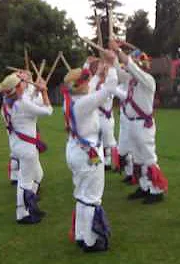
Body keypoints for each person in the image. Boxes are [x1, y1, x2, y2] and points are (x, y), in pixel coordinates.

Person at [62, 52, 123, 253]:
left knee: (81, 194)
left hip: (76, 150)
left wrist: (97, 72)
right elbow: (108, 89)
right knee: (91, 196)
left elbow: (93, 88)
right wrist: (112, 64)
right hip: (87, 154)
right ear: (83, 85)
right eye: (87, 80)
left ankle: (81, 235)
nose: (91, 82)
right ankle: (90, 240)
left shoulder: (71, 99)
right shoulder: (83, 103)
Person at [109, 40, 169, 204]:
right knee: (138, 158)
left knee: (148, 157)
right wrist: (113, 56)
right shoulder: (131, 80)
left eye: (136, 63)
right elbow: (120, 73)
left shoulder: (148, 80)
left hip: (143, 125)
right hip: (132, 124)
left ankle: (157, 191)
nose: (132, 66)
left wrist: (118, 50)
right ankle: (144, 186)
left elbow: (130, 67)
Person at [0, 72, 53, 225]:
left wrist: (36, 91)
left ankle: (31, 206)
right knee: (25, 181)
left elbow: (31, 102)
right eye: (21, 82)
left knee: (38, 175)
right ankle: (22, 214)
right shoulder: (22, 103)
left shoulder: (6, 102)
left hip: (17, 145)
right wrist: (44, 91)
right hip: (27, 148)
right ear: (17, 88)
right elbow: (48, 110)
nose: (24, 83)